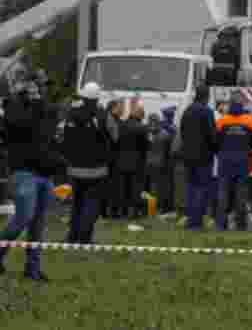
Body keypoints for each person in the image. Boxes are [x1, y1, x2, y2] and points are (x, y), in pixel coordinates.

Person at [0, 79, 66, 280]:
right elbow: (21, 127)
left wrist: (57, 160)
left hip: (44, 174)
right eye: (29, 88)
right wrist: (33, 104)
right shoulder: (12, 109)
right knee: (23, 217)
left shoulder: (44, 109)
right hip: (23, 172)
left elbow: (46, 139)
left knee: (37, 227)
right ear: (20, 90)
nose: (35, 91)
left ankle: (33, 269)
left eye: (37, 88)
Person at [62, 82, 118, 244]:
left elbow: (62, 136)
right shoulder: (102, 115)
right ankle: (84, 237)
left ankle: (72, 236)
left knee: (76, 204)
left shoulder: (71, 114)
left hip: (74, 168)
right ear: (97, 98)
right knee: (91, 204)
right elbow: (115, 136)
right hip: (97, 169)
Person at [215, 92, 252, 231]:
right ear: (242, 104)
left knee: (223, 192)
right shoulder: (250, 120)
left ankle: (221, 224)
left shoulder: (222, 121)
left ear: (229, 104)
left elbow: (216, 142)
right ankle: (240, 225)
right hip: (243, 161)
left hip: (225, 161)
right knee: (241, 193)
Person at [180, 85, 218, 230]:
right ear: (207, 97)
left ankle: (189, 218)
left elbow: (182, 132)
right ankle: (196, 222)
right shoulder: (207, 112)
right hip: (204, 156)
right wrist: (215, 149)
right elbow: (212, 135)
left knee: (190, 187)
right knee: (201, 189)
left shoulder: (187, 111)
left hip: (188, 156)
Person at [114, 100, 150, 219]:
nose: (143, 117)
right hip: (137, 162)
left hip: (121, 161)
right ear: (139, 115)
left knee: (123, 188)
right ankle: (134, 212)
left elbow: (117, 142)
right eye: (142, 115)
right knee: (136, 188)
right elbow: (146, 146)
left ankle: (123, 211)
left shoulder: (121, 125)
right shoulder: (142, 128)